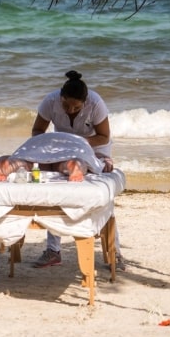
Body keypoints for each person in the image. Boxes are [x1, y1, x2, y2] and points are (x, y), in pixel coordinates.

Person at [29, 70, 125, 270]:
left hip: (95, 149)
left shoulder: (96, 103)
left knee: (104, 197)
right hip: (62, 150)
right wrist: (52, 145)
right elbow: (37, 131)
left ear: (85, 102)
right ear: (60, 97)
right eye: (66, 105)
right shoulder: (50, 101)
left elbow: (104, 136)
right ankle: (53, 251)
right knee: (55, 192)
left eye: (76, 107)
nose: (71, 110)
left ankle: (115, 253)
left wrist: (78, 143)